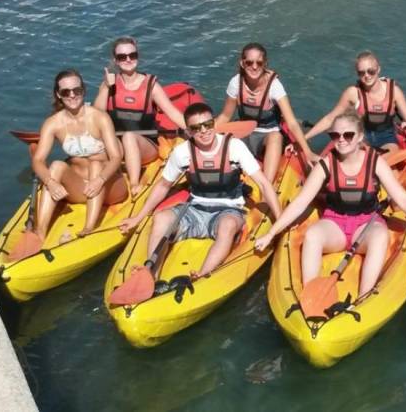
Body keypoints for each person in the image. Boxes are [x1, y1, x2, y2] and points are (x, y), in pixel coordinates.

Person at [255, 111, 406, 296]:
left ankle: (364, 295)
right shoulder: (325, 165)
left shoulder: (375, 163)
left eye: (348, 135)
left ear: (359, 137)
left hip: (366, 225)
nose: (341, 140)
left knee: (380, 236)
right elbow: (300, 203)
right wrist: (271, 233)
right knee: (313, 235)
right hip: (334, 224)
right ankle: (310, 294)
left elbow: (402, 199)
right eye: (335, 135)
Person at [119, 103, 282, 279]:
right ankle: (151, 273)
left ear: (214, 123)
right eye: (196, 128)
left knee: (227, 225)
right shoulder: (182, 152)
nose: (204, 131)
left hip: (228, 210)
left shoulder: (234, 147)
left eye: (208, 124)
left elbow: (264, 184)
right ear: (188, 131)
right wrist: (138, 217)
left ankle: (202, 274)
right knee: (161, 218)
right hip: (194, 209)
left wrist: (280, 221)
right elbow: (163, 186)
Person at [32, 69, 127, 241]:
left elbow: (116, 157)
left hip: (109, 185)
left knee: (96, 165)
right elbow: (38, 160)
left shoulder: (99, 118)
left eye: (77, 90)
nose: (72, 95)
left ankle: (89, 227)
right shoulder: (53, 123)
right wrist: (50, 182)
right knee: (56, 166)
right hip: (81, 188)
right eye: (66, 92)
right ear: (58, 95)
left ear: (83, 90)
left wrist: (100, 180)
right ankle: (40, 231)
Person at [94, 36, 188, 196]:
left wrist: (195, 129)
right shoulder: (109, 84)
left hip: (145, 145)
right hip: (116, 147)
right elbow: (96, 116)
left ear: (138, 56)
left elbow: (172, 112)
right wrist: (105, 88)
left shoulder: (151, 86)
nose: (128, 59)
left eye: (132, 55)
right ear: (116, 60)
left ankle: (134, 183)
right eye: (122, 57)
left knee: (129, 136)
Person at [215, 42, 318, 181]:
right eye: (249, 62)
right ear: (242, 63)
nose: (254, 67)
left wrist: (308, 152)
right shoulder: (236, 83)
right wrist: (203, 131)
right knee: (222, 137)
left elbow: (292, 122)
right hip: (244, 133)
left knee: (276, 136)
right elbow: (225, 116)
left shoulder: (274, 86)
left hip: (267, 136)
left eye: (259, 62)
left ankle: (267, 185)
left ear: (265, 64)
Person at [304, 51, 406, 152]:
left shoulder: (394, 91)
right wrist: (304, 139)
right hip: (363, 137)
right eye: (362, 73)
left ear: (378, 69)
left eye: (371, 71)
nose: (367, 76)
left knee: (388, 158)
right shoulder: (353, 93)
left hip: (387, 138)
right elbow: (330, 118)